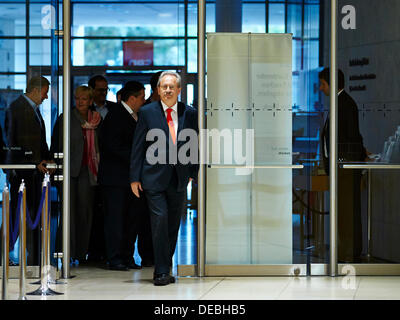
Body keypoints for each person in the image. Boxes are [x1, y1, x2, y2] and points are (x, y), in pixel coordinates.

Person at [130, 71, 198, 286]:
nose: (168, 90)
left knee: (171, 226)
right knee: (159, 222)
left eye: (172, 87)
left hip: (179, 178)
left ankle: (165, 266)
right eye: (164, 87)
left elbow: (193, 144)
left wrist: (192, 173)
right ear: (158, 90)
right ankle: (160, 271)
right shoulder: (147, 112)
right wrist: (134, 177)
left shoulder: (189, 113)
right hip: (153, 178)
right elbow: (138, 146)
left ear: (179, 90)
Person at [319, 67, 367, 262]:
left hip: (344, 168)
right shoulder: (339, 103)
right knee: (344, 211)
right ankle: (345, 251)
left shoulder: (345, 104)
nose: (321, 88)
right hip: (340, 167)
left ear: (332, 83)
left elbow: (351, 137)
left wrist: (358, 155)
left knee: (347, 212)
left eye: (323, 84)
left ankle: (348, 253)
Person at [98, 81, 146, 271]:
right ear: (132, 98)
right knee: (116, 220)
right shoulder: (116, 115)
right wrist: (137, 157)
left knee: (131, 219)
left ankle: (127, 256)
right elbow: (113, 146)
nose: (144, 101)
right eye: (142, 97)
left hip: (130, 179)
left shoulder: (135, 115)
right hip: (115, 179)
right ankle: (115, 258)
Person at [5, 76, 53, 265]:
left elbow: (38, 140)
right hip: (22, 172)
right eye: (45, 92)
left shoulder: (31, 109)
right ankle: (5, 254)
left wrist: (47, 157)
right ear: (35, 90)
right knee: (16, 214)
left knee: (29, 214)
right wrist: (35, 162)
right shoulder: (18, 108)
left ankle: (33, 257)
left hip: (32, 172)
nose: (46, 97)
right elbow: (17, 142)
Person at [51, 85, 101, 265]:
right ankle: (66, 251)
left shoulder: (96, 119)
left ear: (90, 101)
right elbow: (55, 146)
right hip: (69, 172)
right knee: (68, 213)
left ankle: (82, 253)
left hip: (89, 172)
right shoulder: (65, 118)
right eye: (77, 98)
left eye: (84, 99)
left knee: (85, 214)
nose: (80, 102)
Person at [87, 74, 117, 262]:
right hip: (90, 169)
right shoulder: (83, 110)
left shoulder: (114, 109)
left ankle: (107, 250)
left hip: (110, 168)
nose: (103, 93)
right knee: (91, 212)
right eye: (99, 90)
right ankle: (91, 251)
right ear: (91, 90)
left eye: (106, 89)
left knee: (109, 213)